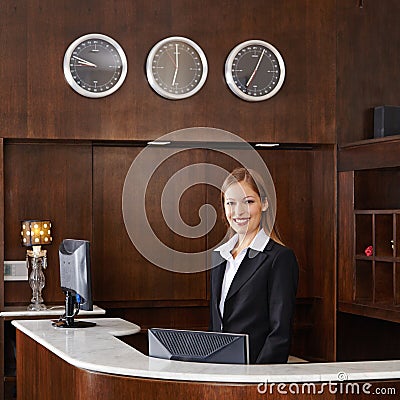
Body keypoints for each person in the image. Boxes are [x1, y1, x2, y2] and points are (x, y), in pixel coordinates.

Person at [209, 167, 299, 364]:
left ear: (264, 204)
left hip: (256, 375)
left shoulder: (279, 258)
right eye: (230, 203)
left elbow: (280, 333)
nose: (238, 212)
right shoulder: (220, 257)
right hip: (221, 371)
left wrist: (256, 377)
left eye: (248, 202)